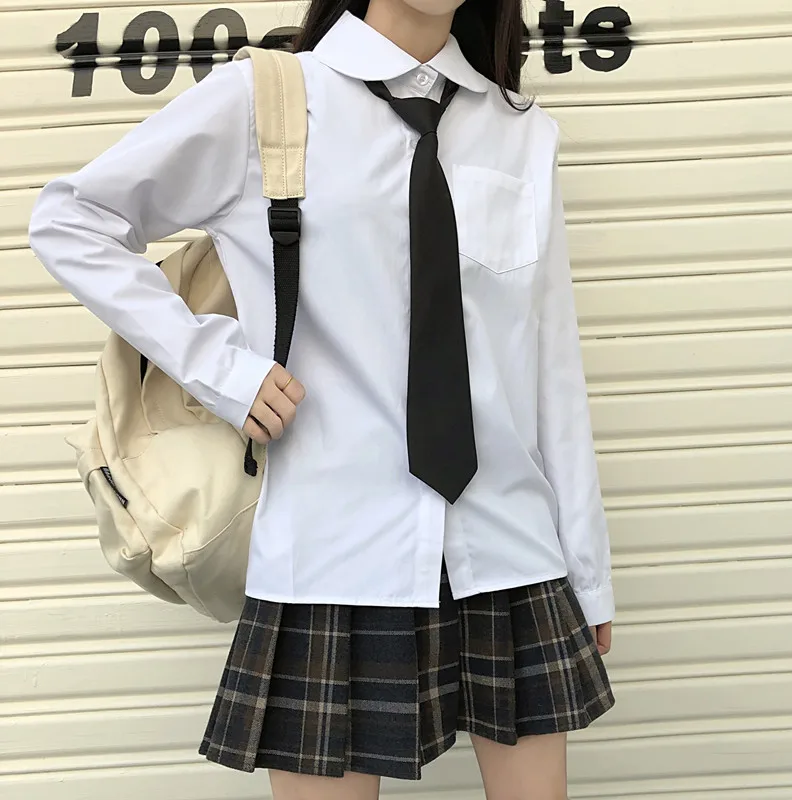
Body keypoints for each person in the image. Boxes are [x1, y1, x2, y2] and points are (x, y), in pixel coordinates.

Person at [28, 0, 615, 797]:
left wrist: (587, 571)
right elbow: (72, 218)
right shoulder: (268, 100)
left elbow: (550, 365)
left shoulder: (520, 131)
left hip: (509, 547)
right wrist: (220, 371)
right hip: (333, 551)